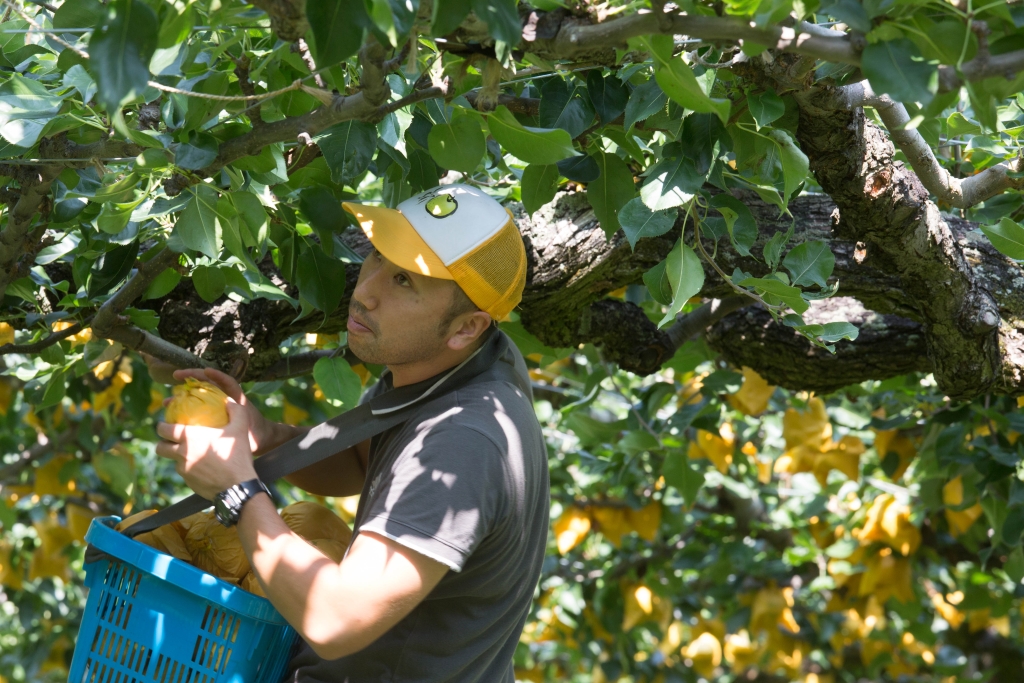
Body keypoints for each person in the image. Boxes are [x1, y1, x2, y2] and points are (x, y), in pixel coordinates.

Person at [151, 184, 549, 683]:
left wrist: (237, 491)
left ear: (467, 327)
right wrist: (266, 436)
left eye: (404, 280)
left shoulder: (462, 440)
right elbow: (364, 462)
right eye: (379, 257)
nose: (365, 291)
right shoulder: (447, 362)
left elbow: (336, 618)